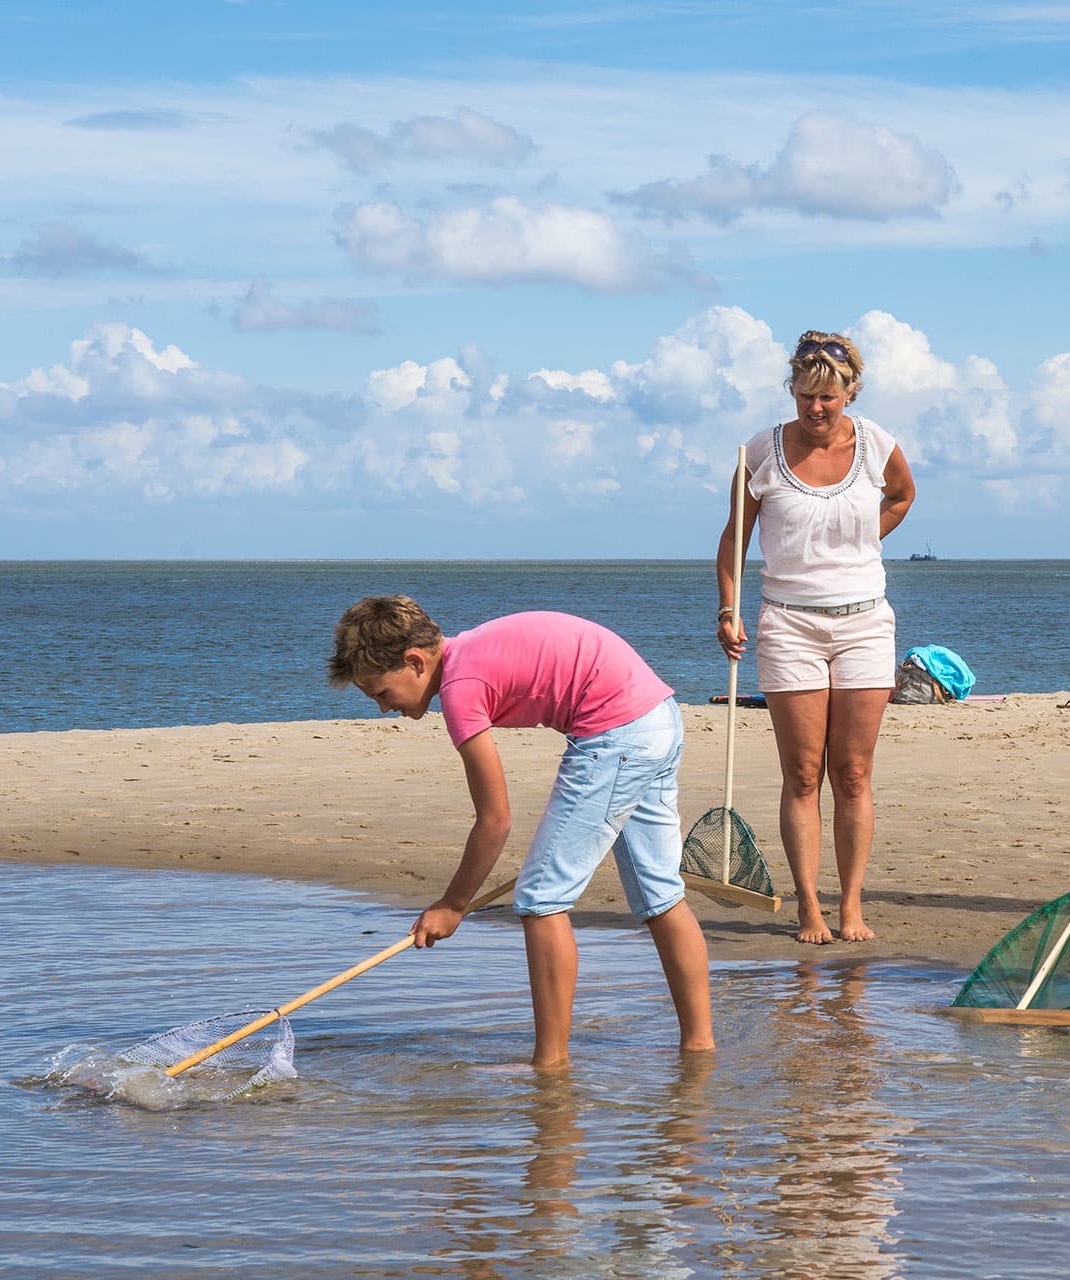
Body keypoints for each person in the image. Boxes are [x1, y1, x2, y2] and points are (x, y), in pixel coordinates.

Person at [327, 596, 714, 1064]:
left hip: (619, 735)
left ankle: (550, 1069)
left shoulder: (460, 689)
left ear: (414, 661)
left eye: (382, 694)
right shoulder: (467, 654)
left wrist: (452, 905)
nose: (384, 709)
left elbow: (495, 819)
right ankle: (698, 1048)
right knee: (659, 894)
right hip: (657, 716)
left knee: (541, 898)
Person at [716, 331, 916, 945]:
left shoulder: (878, 445)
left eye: (829, 397)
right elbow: (734, 540)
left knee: (853, 772)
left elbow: (903, 496)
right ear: (793, 391)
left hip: (864, 623)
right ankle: (809, 907)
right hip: (788, 625)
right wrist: (729, 608)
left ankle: (851, 905)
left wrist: (859, 543)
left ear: (850, 392)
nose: (817, 409)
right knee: (803, 773)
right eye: (806, 396)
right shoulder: (759, 453)